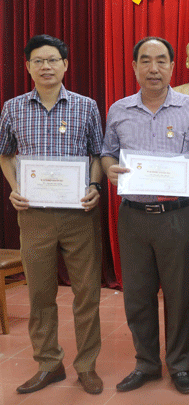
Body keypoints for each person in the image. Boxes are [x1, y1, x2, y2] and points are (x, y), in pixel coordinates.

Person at [101, 36, 189, 395]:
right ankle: (146, 363)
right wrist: (109, 168)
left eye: (161, 60)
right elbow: (107, 153)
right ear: (134, 67)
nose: (153, 68)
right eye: (145, 61)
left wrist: (188, 170)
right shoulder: (119, 109)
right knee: (137, 295)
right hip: (133, 217)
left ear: (173, 66)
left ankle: (179, 365)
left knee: (179, 296)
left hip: (176, 214)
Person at [0, 34, 104, 395]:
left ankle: (87, 366)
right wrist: (15, 186)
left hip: (79, 215)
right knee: (40, 294)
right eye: (38, 61)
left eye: (53, 60)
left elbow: (97, 153)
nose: (46, 66)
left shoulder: (86, 106)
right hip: (34, 216)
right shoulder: (13, 108)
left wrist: (95, 186)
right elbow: (5, 153)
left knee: (87, 293)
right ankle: (49, 363)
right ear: (28, 66)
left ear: (65, 65)